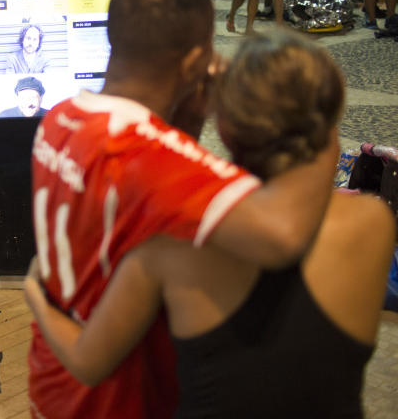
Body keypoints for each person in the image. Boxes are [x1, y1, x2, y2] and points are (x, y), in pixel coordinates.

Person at [25, 29, 394, 419]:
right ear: (329, 122)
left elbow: (88, 363)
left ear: (226, 129)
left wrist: (36, 292)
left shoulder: (170, 249)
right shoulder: (372, 223)